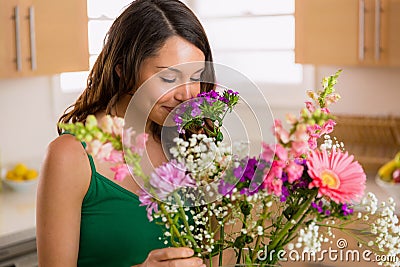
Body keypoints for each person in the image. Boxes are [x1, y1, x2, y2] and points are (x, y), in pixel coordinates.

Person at [36, 0, 215, 266]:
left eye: (195, 76)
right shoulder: (71, 156)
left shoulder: (189, 144)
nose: (187, 95)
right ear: (123, 68)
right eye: (168, 78)